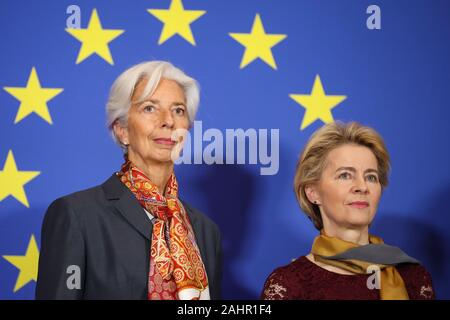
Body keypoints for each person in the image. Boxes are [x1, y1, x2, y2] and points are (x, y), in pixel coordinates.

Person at [36, 61, 222, 300]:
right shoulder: (77, 216)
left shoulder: (206, 232)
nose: (168, 121)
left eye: (178, 110)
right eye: (150, 108)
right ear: (122, 130)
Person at [261, 121, 435, 300]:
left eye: (371, 177)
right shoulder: (289, 285)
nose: (362, 186)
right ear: (313, 192)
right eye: (345, 175)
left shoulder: (413, 277)